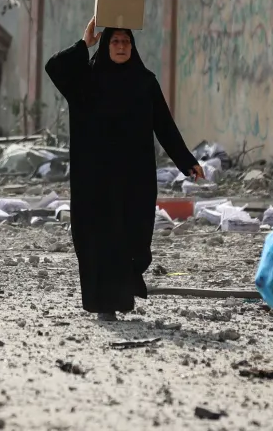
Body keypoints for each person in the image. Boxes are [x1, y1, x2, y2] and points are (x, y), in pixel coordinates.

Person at [45, 17, 204, 321]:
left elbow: (165, 126)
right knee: (98, 239)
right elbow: (55, 68)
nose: (121, 46)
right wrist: (84, 43)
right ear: (106, 45)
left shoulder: (145, 82)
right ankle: (105, 303)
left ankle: (124, 285)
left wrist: (187, 161)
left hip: (135, 177)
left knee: (134, 237)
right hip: (94, 178)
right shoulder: (85, 81)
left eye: (126, 41)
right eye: (115, 41)